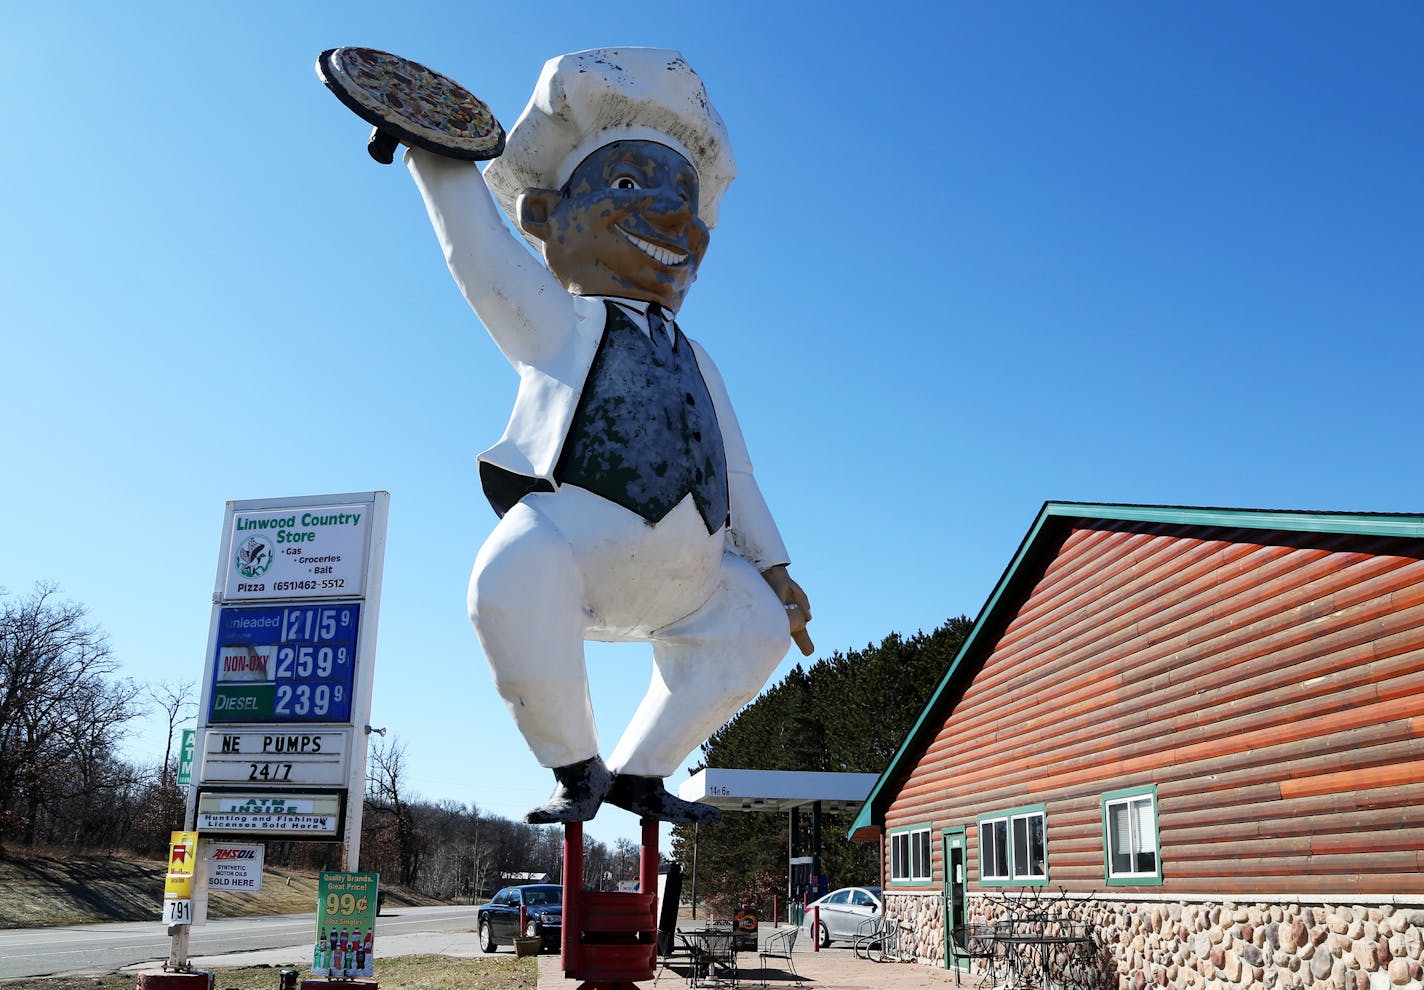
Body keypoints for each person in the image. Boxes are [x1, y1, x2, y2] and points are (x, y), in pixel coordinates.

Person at [402, 48, 812, 824]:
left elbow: (742, 471)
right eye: (628, 184)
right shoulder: (564, 322)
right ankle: (575, 763)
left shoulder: (699, 358)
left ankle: (642, 771)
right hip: (575, 541)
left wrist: (778, 568)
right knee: (510, 574)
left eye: (683, 199)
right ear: (547, 217)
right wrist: (437, 155)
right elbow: (481, 258)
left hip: (692, 569)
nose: (669, 215)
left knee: (752, 622)